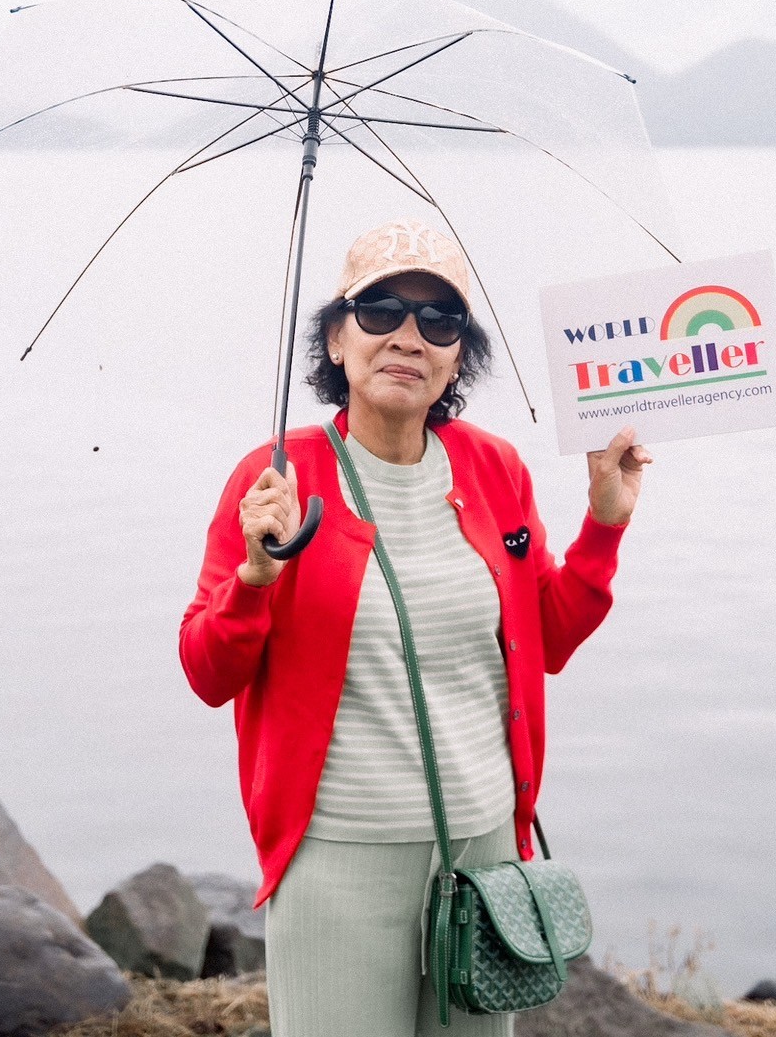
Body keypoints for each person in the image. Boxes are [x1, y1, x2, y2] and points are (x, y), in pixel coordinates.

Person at [179, 218, 651, 1037]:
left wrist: (604, 526)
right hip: (339, 859)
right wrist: (255, 579)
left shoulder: (495, 468)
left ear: (458, 356)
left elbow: (547, 637)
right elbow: (206, 670)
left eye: (439, 320)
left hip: (485, 852)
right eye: (380, 311)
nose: (408, 336)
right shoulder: (276, 479)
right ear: (336, 337)